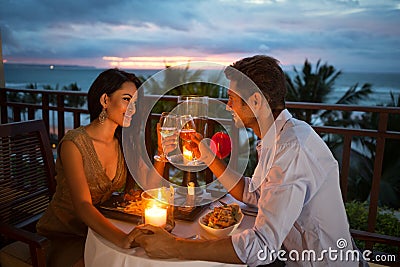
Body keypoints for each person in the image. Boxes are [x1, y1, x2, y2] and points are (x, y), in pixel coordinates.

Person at [132, 55, 359, 266]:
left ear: (256, 101)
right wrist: (208, 156)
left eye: (232, 99)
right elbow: (255, 193)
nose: (228, 107)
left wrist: (175, 246)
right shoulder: (280, 136)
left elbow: (262, 246)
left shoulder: (292, 149)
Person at [36, 68, 167, 267]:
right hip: (64, 234)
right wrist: (122, 238)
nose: (133, 108)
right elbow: (83, 205)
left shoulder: (122, 142)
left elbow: (149, 185)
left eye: (136, 103)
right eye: (126, 99)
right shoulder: (74, 144)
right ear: (105, 100)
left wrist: (162, 152)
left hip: (98, 230)